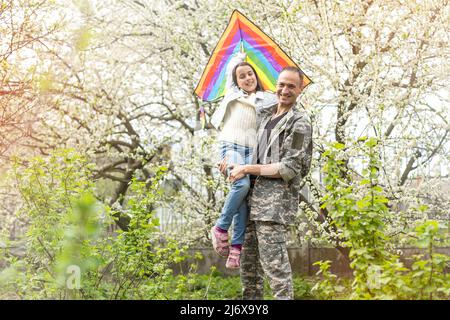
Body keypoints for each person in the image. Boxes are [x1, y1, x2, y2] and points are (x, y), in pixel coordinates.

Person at [222, 66, 313, 299]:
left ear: (300, 89)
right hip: (249, 202)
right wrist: (231, 163)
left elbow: (289, 168)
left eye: (291, 86)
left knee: (276, 272)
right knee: (249, 273)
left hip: (272, 208)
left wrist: (248, 168)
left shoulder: (300, 124)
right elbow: (246, 145)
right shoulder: (264, 113)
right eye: (281, 84)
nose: (284, 90)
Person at [209, 52, 277, 269]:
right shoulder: (232, 94)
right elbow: (231, 70)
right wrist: (238, 58)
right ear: (236, 81)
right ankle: (221, 228)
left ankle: (236, 248)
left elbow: (283, 102)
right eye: (242, 76)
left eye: (250, 74)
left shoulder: (266, 98)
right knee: (242, 184)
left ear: (256, 76)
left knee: (244, 195)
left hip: (251, 151)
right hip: (230, 146)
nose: (247, 78)